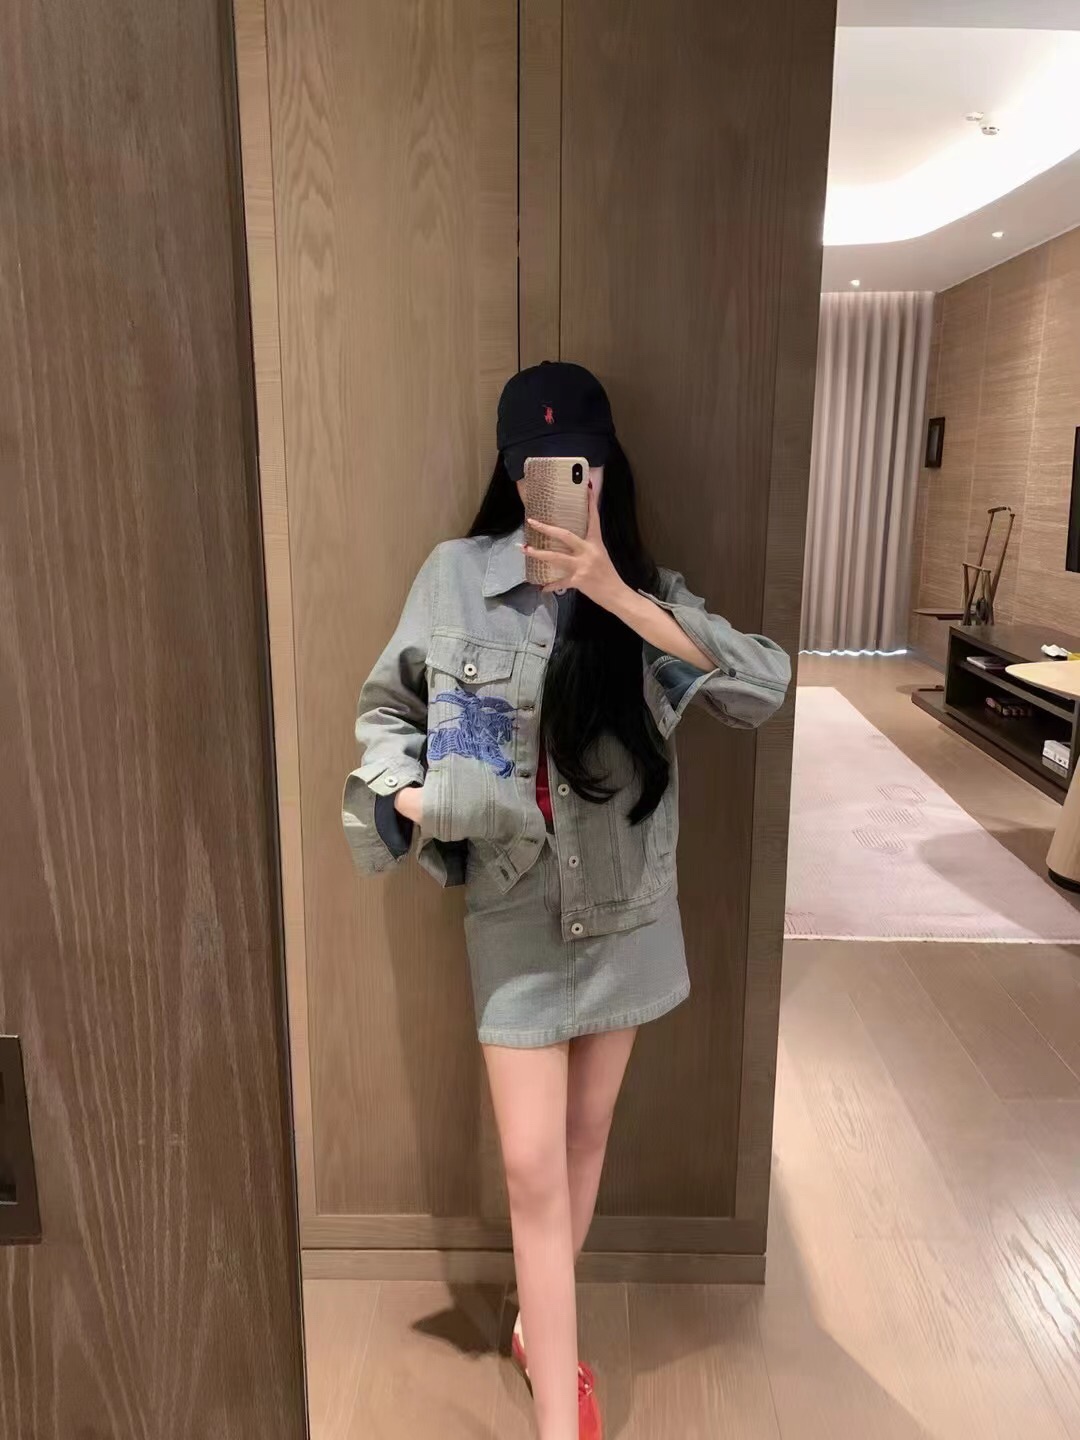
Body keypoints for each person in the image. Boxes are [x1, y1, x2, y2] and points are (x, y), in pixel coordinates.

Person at [342, 361, 790, 1440]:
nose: (555, 485)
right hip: (512, 910)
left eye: (576, 465)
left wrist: (614, 592)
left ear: (605, 470)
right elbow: (386, 711)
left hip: (627, 910)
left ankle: (539, 1333)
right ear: (509, 472)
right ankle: (558, 1411)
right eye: (534, 465)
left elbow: (763, 686)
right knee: (531, 1165)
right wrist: (406, 792)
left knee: (584, 1142)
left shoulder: (646, 592)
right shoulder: (454, 577)